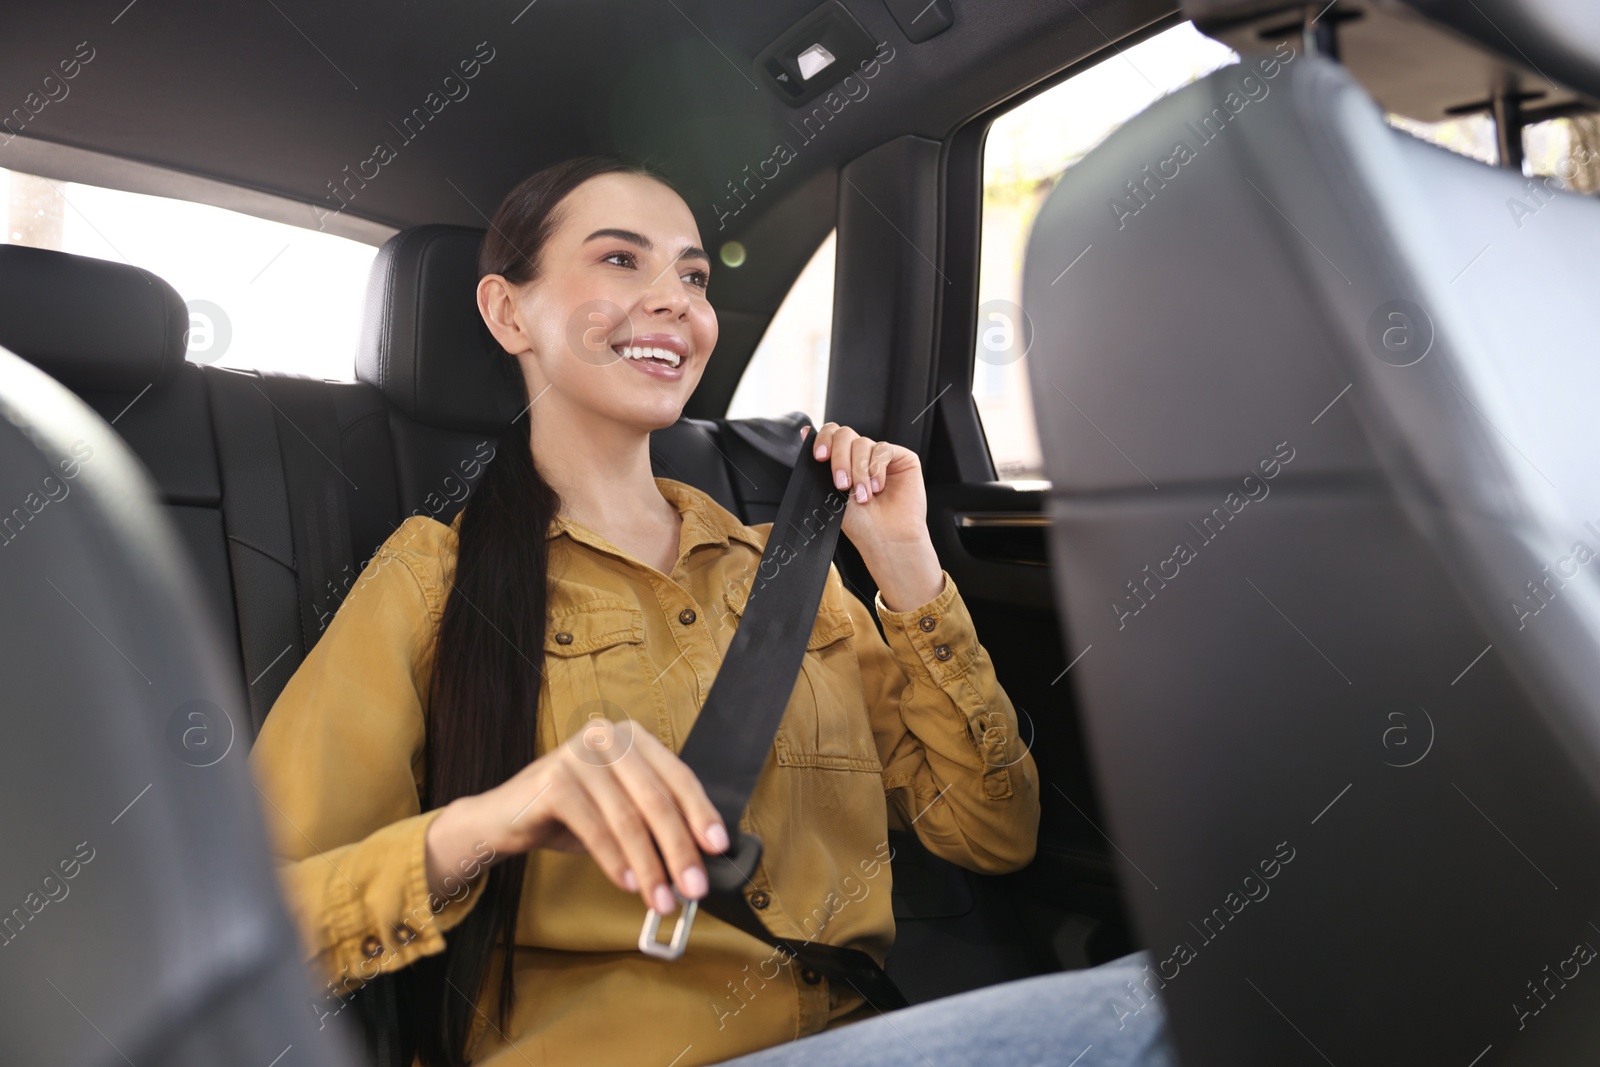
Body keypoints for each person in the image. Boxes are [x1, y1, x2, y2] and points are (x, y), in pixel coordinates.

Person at [248, 155, 1178, 1067]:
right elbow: (253, 928)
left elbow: (991, 831)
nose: (676, 301)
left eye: (692, 275)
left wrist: (906, 565)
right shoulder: (430, 580)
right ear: (507, 311)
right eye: (621, 260)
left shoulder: (786, 570)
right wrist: (494, 819)